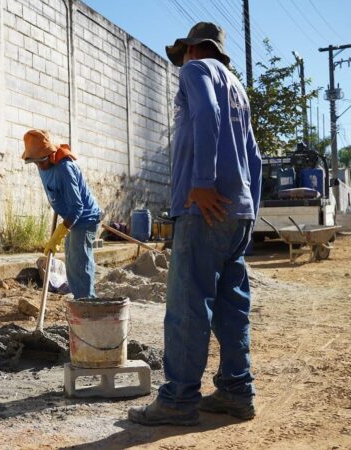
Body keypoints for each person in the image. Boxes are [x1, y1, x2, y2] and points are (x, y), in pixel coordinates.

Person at [128, 22, 262, 426]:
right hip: (236, 214)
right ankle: (237, 392)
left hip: (203, 210)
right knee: (231, 305)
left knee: (188, 306)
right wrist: (249, 213)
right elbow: (253, 158)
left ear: (190, 49)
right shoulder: (238, 87)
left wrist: (202, 183)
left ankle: (178, 400)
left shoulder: (196, 71)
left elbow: (205, 112)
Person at [22, 130, 102, 299]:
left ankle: (87, 304)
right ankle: (80, 301)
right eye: (35, 162)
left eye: (41, 161)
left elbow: (77, 207)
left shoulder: (65, 168)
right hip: (72, 218)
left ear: (49, 154)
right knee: (72, 263)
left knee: (79, 263)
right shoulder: (42, 165)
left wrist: (59, 234)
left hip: (85, 218)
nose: (39, 166)